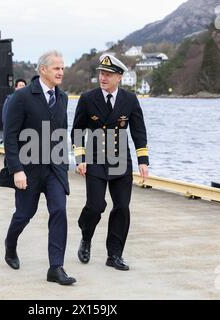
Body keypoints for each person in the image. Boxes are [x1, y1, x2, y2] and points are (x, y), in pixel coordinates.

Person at [1, 50, 76, 285]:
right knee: (25, 214)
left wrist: (65, 163)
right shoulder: (22, 97)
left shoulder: (62, 97)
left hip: (55, 168)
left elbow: (62, 132)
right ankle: (10, 244)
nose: (61, 72)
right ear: (43, 70)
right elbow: (10, 135)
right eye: (56, 68)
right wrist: (17, 169)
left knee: (59, 211)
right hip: (28, 169)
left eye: (62, 68)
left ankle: (56, 267)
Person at [71, 54, 150, 271]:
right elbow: (77, 131)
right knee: (95, 207)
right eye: (101, 74)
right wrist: (80, 158)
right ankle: (86, 236)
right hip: (95, 160)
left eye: (108, 74)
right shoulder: (88, 98)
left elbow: (139, 131)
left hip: (120, 161)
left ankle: (114, 255)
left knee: (122, 208)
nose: (103, 78)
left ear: (119, 77)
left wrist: (143, 160)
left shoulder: (130, 100)